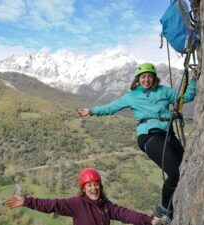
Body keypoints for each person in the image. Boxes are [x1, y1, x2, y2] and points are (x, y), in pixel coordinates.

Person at [78, 63, 197, 219]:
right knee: (174, 172)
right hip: (148, 136)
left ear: (154, 78)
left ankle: (173, 203)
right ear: (138, 79)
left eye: (149, 76)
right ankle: (165, 209)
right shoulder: (132, 95)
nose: (146, 80)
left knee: (186, 166)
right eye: (143, 77)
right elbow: (111, 107)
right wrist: (92, 111)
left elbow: (185, 97)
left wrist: (193, 81)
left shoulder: (164, 91)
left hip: (167, 134)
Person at [5, 168, 166, 225]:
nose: (93, 188)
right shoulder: (76, 204)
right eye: (89, 185)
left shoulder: (106, 206)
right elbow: (51, 205)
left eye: (96, 184)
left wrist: (149, 220)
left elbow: (126, 214)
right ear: (84, 188)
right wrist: (26, 201)